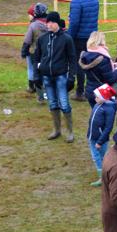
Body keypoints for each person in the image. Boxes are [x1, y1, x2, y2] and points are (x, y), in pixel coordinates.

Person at [34, 11, 77, 142]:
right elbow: (37, 58)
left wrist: (71, 77)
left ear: (56, 23)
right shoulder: (42, 39)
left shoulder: (66, 39)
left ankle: (70, 132)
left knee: (64, 103)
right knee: (52, 103)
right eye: (47, 22)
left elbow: (72, 59)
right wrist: (37, 75)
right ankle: (57, 130)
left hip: (61, 76)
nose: (48, 24)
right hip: (47, 76)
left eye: (51, 22)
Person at [69, 0, 100, 101]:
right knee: (91, 63)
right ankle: (91, 89)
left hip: (80, 37)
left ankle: (80, 92)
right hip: (92, 36)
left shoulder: (77, 2)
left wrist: (70, 36)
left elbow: (74, 22)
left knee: (80, 64)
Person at [88, 84, 117, 187]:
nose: (95, 98)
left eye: (97, 96)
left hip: (99, 139)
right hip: (93, 136)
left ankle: (103, 177)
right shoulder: (98, 104)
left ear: (103, 98)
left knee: (98, 157)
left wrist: (100, 141)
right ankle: (107, 175)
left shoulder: (108, 109)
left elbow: (108, 127)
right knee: (101, 157)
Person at [80, 31, 117, 108]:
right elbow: (111, 79)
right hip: (102, 92)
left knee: (96, 114)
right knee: (105, 116)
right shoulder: (102, 58)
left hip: (90, 90)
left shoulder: (85, 56)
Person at [22, 3, 50, 95]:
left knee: (31, 69)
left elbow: (27, 40)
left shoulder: (33, 25)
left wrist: (24, 51)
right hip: (47, 51)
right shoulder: (50, 24)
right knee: (45, 69)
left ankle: (32, 87)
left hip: (34, 52)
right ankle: (46, 88)